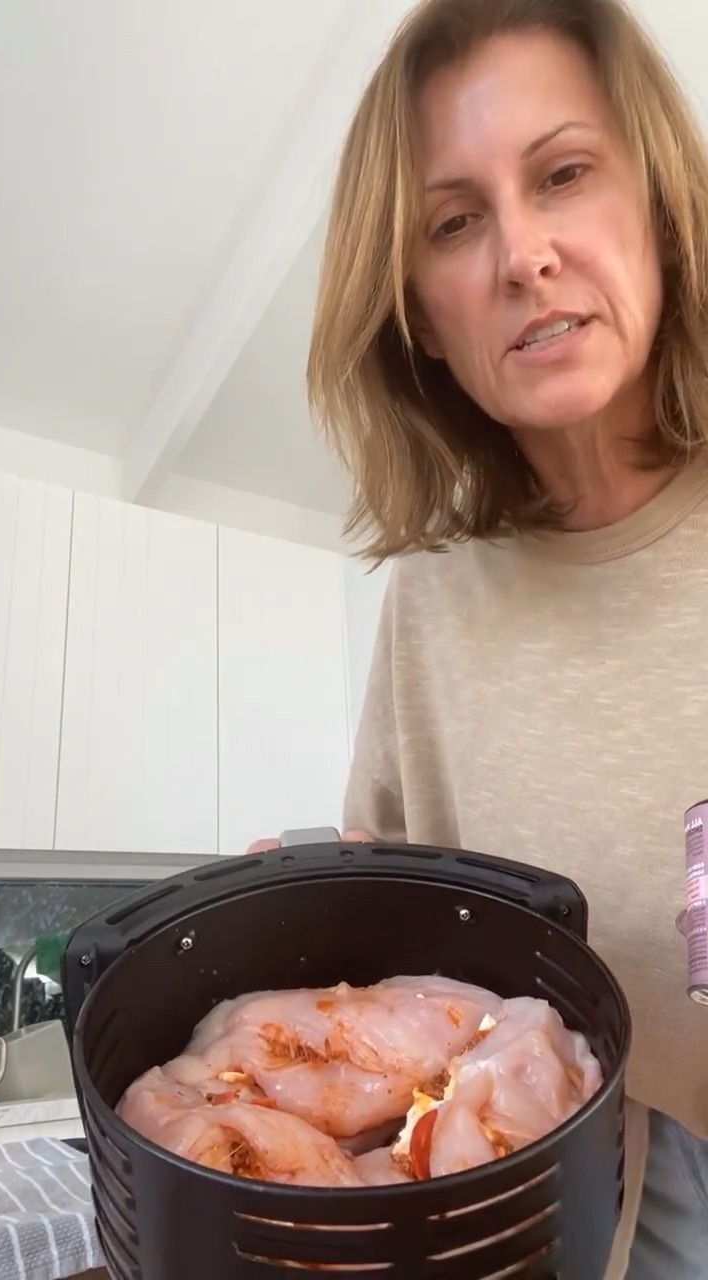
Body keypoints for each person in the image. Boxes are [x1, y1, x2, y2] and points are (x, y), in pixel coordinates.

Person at [251, 0, 708, 1274]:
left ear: (657, 200)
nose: (524, 255)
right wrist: (313, 917)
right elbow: (410, 946)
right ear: (419, 317)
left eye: (563, 174)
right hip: (594, 1209)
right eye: (454, 223)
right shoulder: (430, 602)